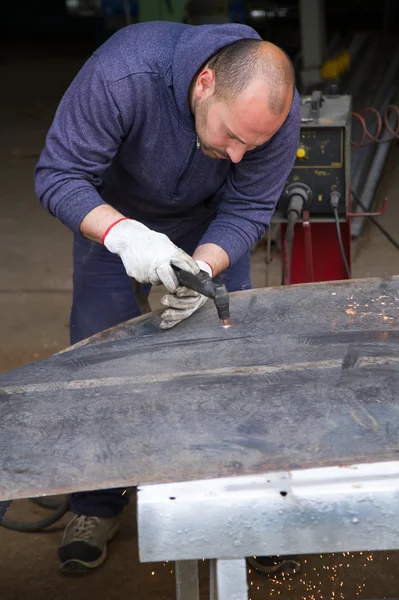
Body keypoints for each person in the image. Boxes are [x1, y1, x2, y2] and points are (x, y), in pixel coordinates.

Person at [34, 20, 300, 572]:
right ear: (204, 82)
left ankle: (241, 503)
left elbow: (248, 207)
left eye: (252, 145)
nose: (235, 156)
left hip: (208, 226)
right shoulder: (124, 74)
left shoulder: (274, 114)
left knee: (228, 363)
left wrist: (203, 267)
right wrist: (123, 235)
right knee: (99, 357)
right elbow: (60, 174)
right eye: (230, 135)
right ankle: (97, 503)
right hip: (110, 218)